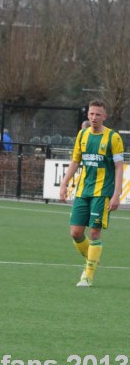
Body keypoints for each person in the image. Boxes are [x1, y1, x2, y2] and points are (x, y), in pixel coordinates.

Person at [59, 99, 124, 288]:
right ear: (88, 115)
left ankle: (87, 275)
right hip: (83, 190)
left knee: (94, 234)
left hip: (102, 192)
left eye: (98, 114)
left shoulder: (113, 138)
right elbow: (75, 161)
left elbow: (119, 168)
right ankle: (93, 259)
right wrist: (64, 184)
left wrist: (116, 194)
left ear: (105, 116)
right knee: (76, 232)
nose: (94, 117)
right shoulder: (82, 135)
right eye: (91, 114)